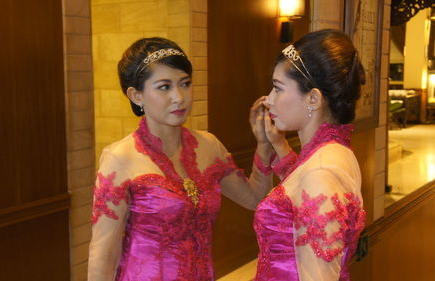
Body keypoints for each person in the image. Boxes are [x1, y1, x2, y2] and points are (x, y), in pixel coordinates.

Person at [87, 37, 275, 281]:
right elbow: (103, 254)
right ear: (136, 95)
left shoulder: (209, 146)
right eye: (164, 86)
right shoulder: (120, 158)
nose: (179, 97)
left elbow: (255, 199)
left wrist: (264, 145)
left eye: (185, 84)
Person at [250, 29, 367, 281]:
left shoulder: (321, 173)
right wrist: (278, 145)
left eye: (278, 88)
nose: (269, 100)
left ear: (313, 98)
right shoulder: (332, 150)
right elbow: (297, 194)